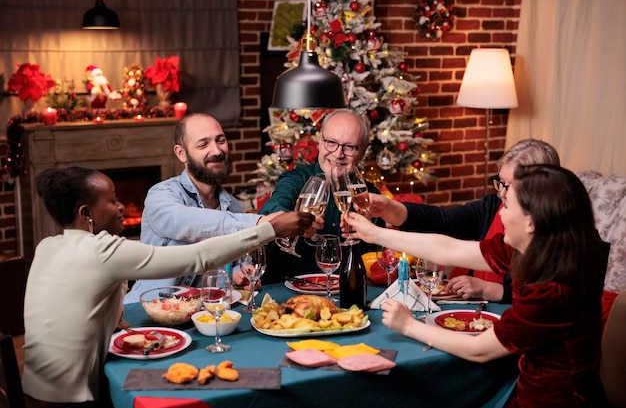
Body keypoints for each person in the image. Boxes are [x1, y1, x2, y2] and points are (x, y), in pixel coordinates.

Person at [22, 166, 313, 408]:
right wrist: (270, 229)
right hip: (72, 399)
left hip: (34, 389)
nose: (122, 206)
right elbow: (197, 258)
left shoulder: (47, 246)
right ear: (87, 214)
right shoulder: (102, 251)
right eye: (112, 200)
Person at [346, 164, 607, 407]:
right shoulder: (533, 248)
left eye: (508, 206)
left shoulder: (554, 290)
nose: (501, 212)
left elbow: (478, 350)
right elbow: (449, 249)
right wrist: (376, 234)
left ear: (531, 222)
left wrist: (408, 326)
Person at [359, 138, 560, 303]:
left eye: (509, 185)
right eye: (500, 183)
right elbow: (444, 226)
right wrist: (390, 208)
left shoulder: (557, 245)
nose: (501, 194)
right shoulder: (497, 217)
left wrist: (493, 290)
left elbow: (541, 300)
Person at [124, 113, 283, 303]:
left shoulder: (232, 206)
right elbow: (189, 222)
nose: (216, 151)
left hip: (205, 315)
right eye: (203, 144)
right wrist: (259, 222)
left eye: (221, 140)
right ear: (181, 153)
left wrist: (240, 275)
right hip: (150, 311)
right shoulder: (161, 195)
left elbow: (233, 266)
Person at [258, 108, 385, 283]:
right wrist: (291, 221)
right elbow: (269, 211)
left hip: (345, 298)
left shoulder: (369, 195)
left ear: (362, 151)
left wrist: (372, 233)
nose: (338, 154)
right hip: (286, 292)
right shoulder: (295, 179)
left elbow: (378, 260)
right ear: (319, 141)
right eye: (331, 142)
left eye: (349, 147)